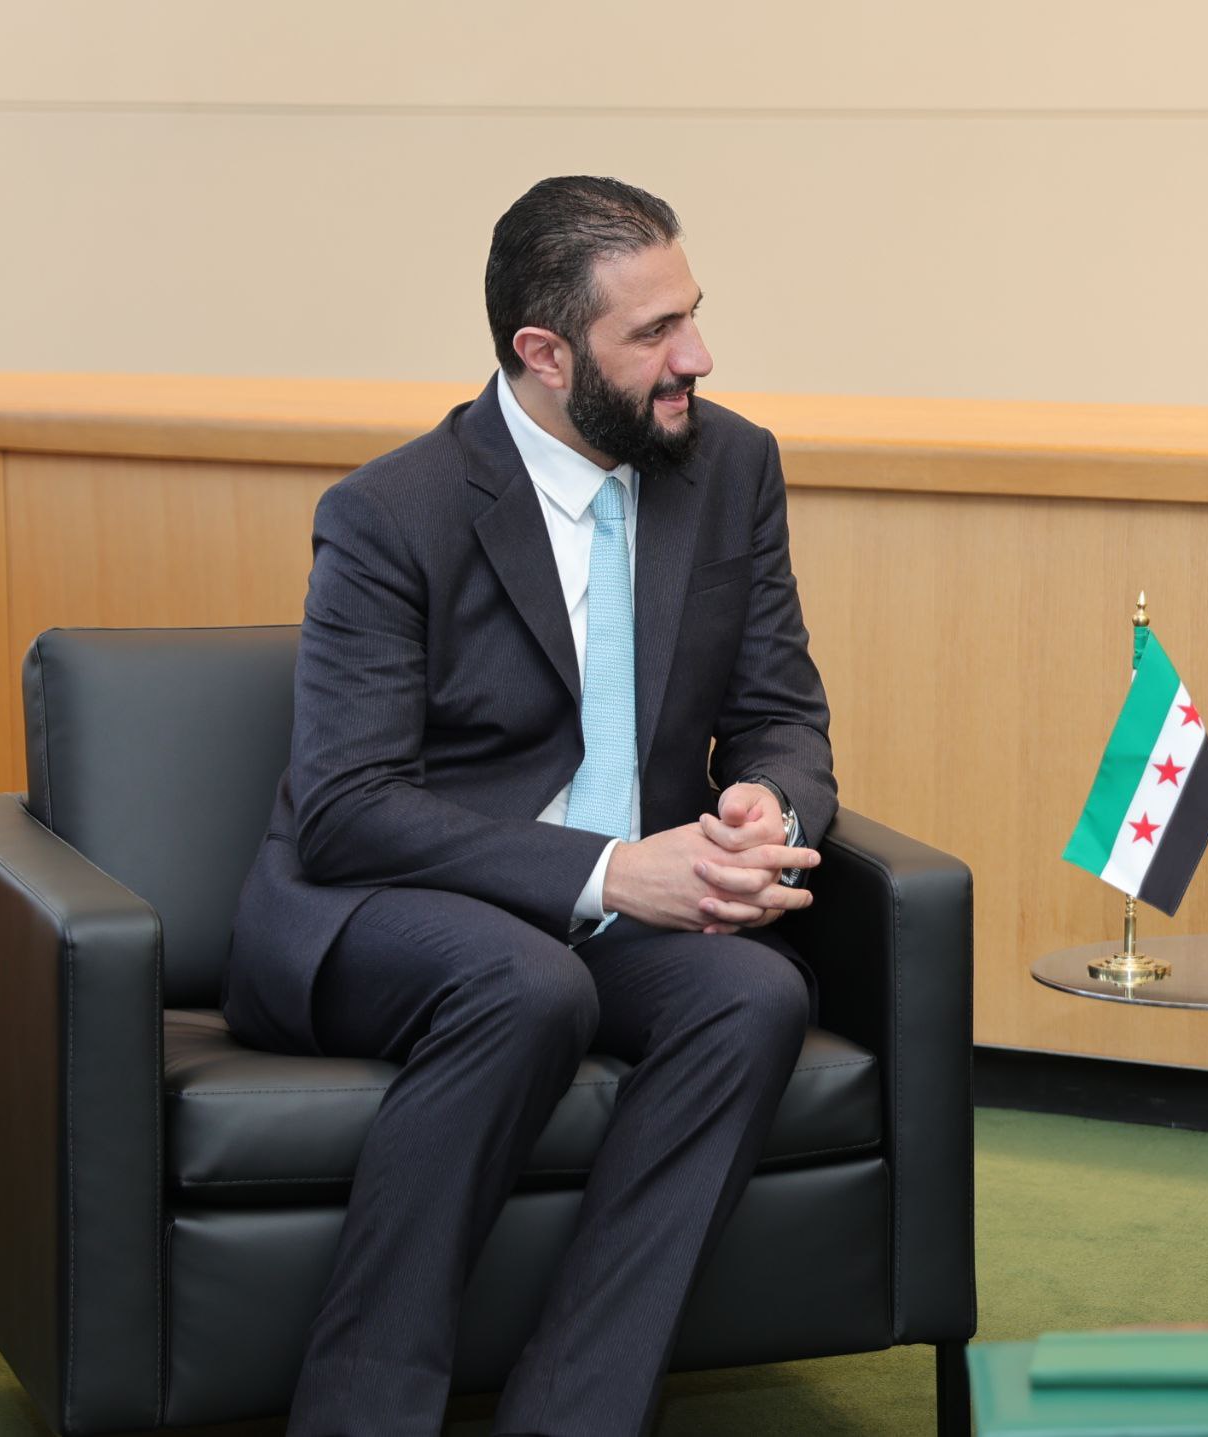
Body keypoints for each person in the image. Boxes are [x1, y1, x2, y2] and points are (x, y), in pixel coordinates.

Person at [223, 175, 834, 1437]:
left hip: (613, 923)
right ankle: (360, 1416)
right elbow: (344, 807)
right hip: (393, 911)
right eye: (653, 334)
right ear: (544, 354)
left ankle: (572, 1413)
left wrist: (760, 804)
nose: (697, 357)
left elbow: (782, 712)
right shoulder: (393, 513)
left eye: (693, 316)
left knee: (756, 995)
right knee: (525, 985)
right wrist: (613, 872)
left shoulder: (731, 470)